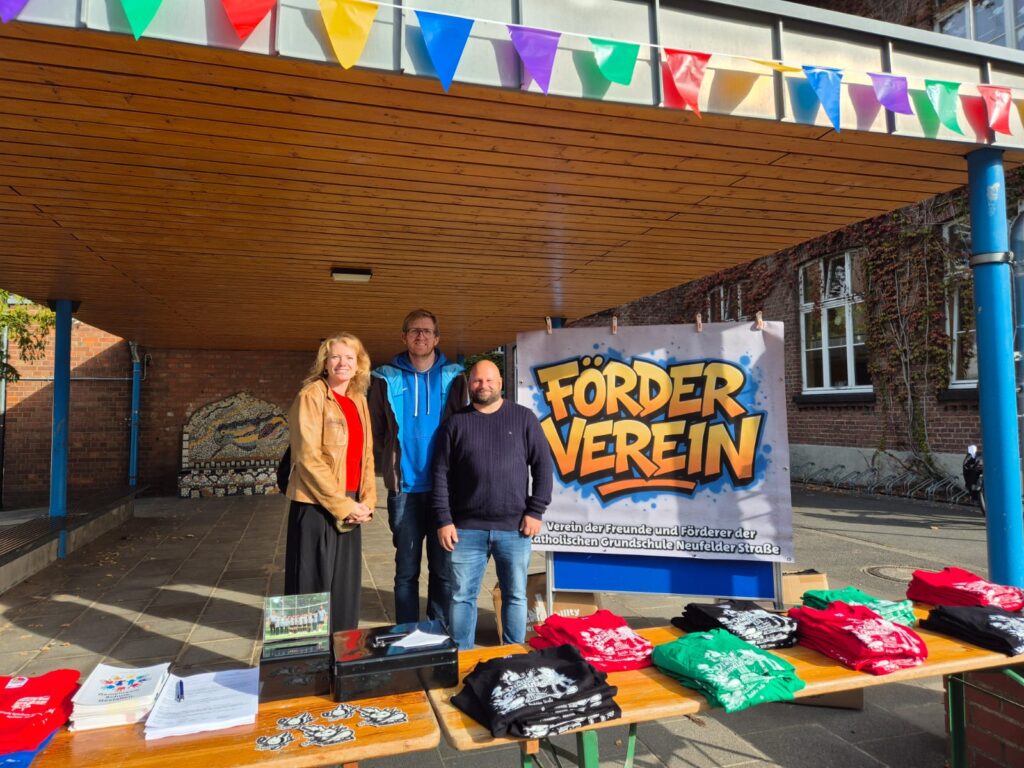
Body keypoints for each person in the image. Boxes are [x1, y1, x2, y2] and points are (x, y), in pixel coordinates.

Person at [432, 359, 553, 650]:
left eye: (489, 380)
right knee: (462, 597)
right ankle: (463, 656)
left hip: (514, 528)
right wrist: (444, 520)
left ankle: (513, 654)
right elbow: (439, 475)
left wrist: (535, 511)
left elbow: (543, 467)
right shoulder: (455, 424)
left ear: (500, 383)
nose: (483, 385)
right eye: (477, 380)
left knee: (516, 595)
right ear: (469, 385)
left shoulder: (523, 419)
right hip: (466, 529)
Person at [369, 309, 468, 627]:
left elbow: (465, 429)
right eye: (414, 330)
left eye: (427, 331)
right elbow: (377, 430)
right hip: (405, 491)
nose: (421, 336)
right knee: (406, 572)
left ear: (437, 338)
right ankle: (407, 634)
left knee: (443, 571)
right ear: (404, 337)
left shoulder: (454, 376)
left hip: (444, 492)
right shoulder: (385, 378)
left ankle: (438, 632)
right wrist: (391, 462)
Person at [285, 333, 376, 634]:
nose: (342, 363)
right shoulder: (311, 396)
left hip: (351, 505)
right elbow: (307, 458)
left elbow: (366, 456)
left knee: (344, 591)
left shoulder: (358, 400)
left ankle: (343, 652)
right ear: (325, 362)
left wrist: (367, 503)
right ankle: (308, 657)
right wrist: (342, 505)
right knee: (310, 593)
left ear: (359, 364)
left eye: (350, 357)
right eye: (335, 356)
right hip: (315, 503)